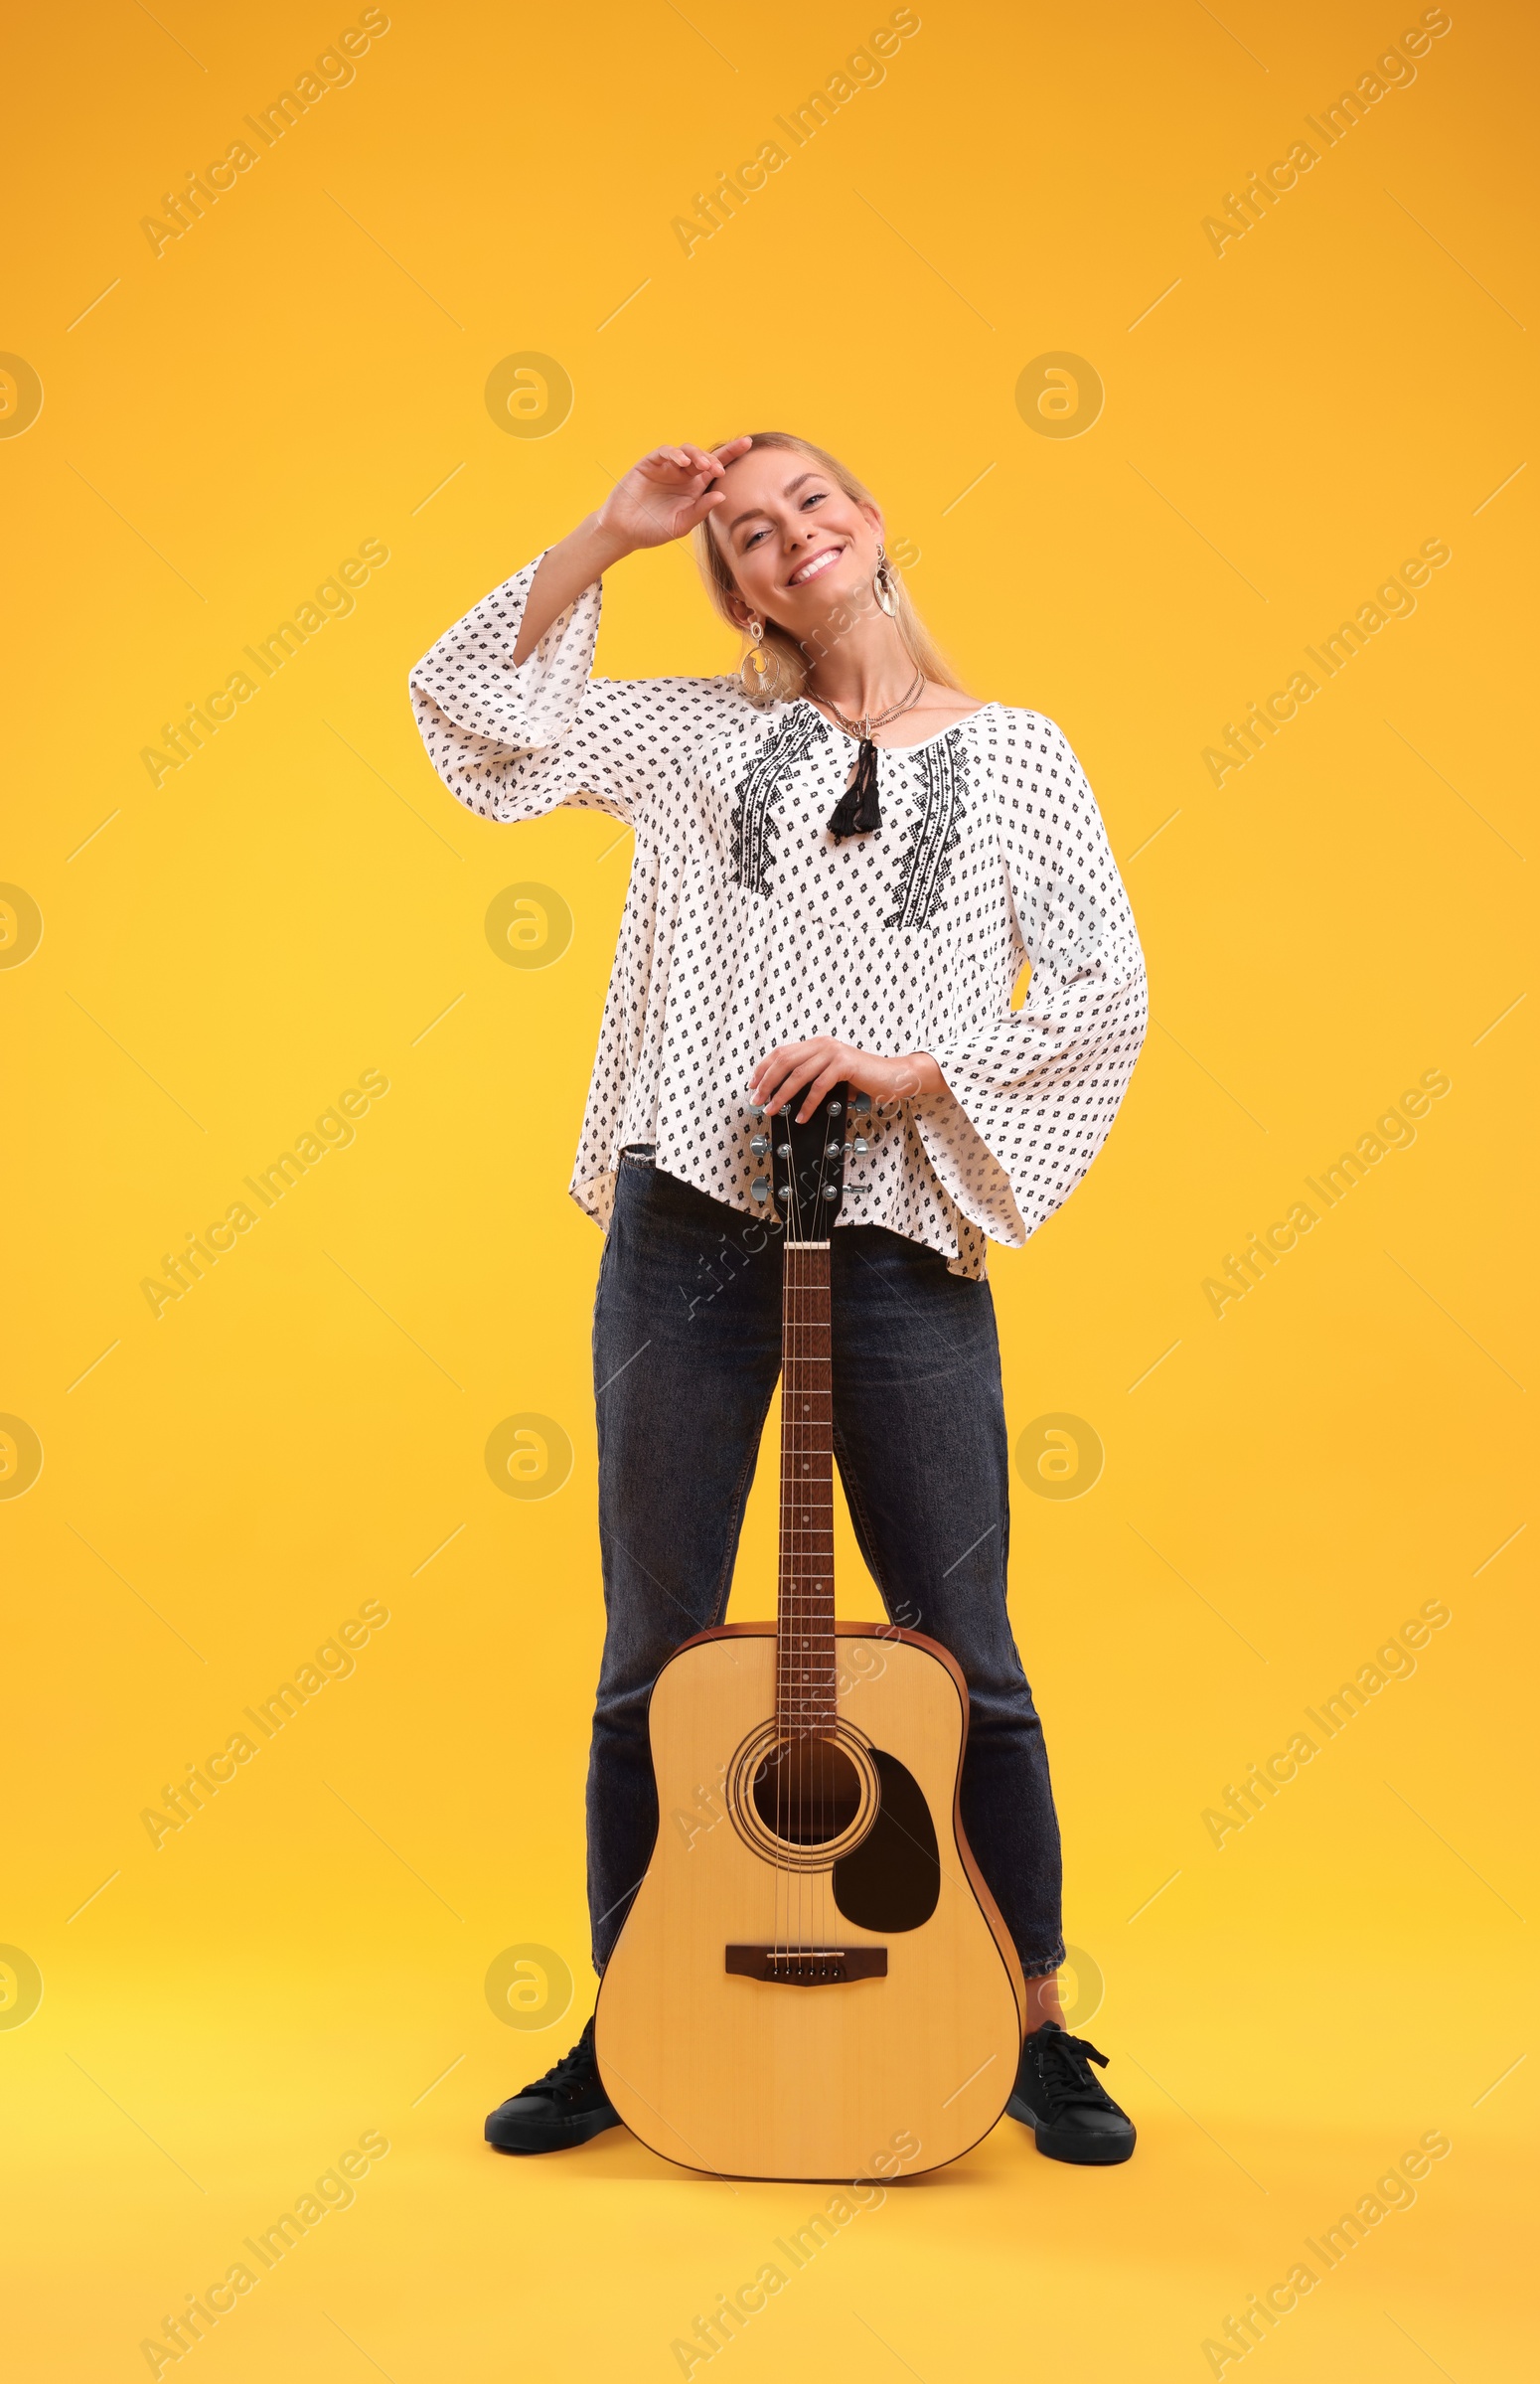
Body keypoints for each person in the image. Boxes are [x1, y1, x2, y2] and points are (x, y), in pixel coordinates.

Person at [407, 432, 1149, 2167]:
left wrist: (915, 1066)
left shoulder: (1019, 759)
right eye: (746, 535)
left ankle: (1029, 2018)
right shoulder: (698, 736)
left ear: (875, 522)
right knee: (653, 1657)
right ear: (737, 586)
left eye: (810, 503)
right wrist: (609, 534)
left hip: (889, 1241)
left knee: (965, 1658)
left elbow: (1107, 990)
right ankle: (634, 2007)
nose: (785, 537)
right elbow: (475, 723)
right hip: (689, 1226)